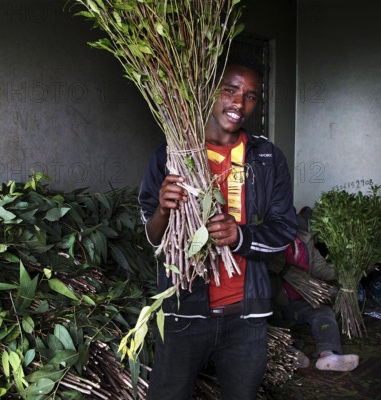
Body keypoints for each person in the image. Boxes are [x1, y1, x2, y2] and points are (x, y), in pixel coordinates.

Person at [138, 54, 298, 400]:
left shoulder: (268, 158)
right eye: (230, 90)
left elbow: (285, 228)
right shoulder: (170, 156)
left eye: (251, 95)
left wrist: (241, 236)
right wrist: (163, 212)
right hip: (184, 311)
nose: (240, 103)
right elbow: (151, 238)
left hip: (246, 316)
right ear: (209, 93)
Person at [268, 208, 360, 372]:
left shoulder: (304, 242)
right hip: (275, 302)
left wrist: (348, 271)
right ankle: (288, 352)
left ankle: (328, 355)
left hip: (302, 300)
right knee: (269, 326)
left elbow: (321, 268)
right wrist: (278, 266)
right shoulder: (270, 241)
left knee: (324, 314)